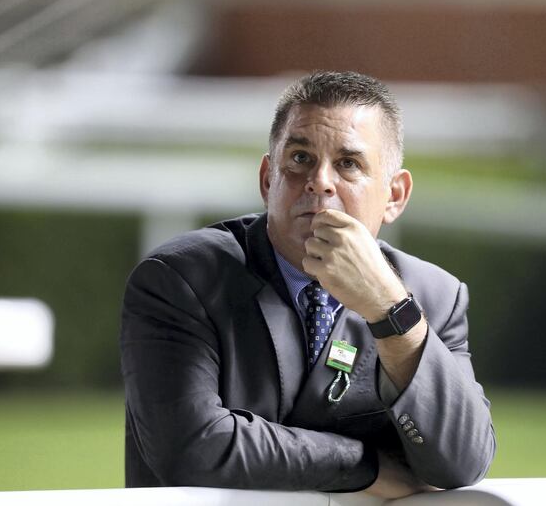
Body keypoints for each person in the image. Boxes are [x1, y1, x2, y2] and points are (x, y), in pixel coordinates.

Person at [121, 71, 495, 498]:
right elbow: (190, 449)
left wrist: (390, 311)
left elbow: (463, 462)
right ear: (267, 180)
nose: (319, 181)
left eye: (348, 163)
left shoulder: (435, 298)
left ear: (394, 196)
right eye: (300, 159)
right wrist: (367, 465)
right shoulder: (179, 279)